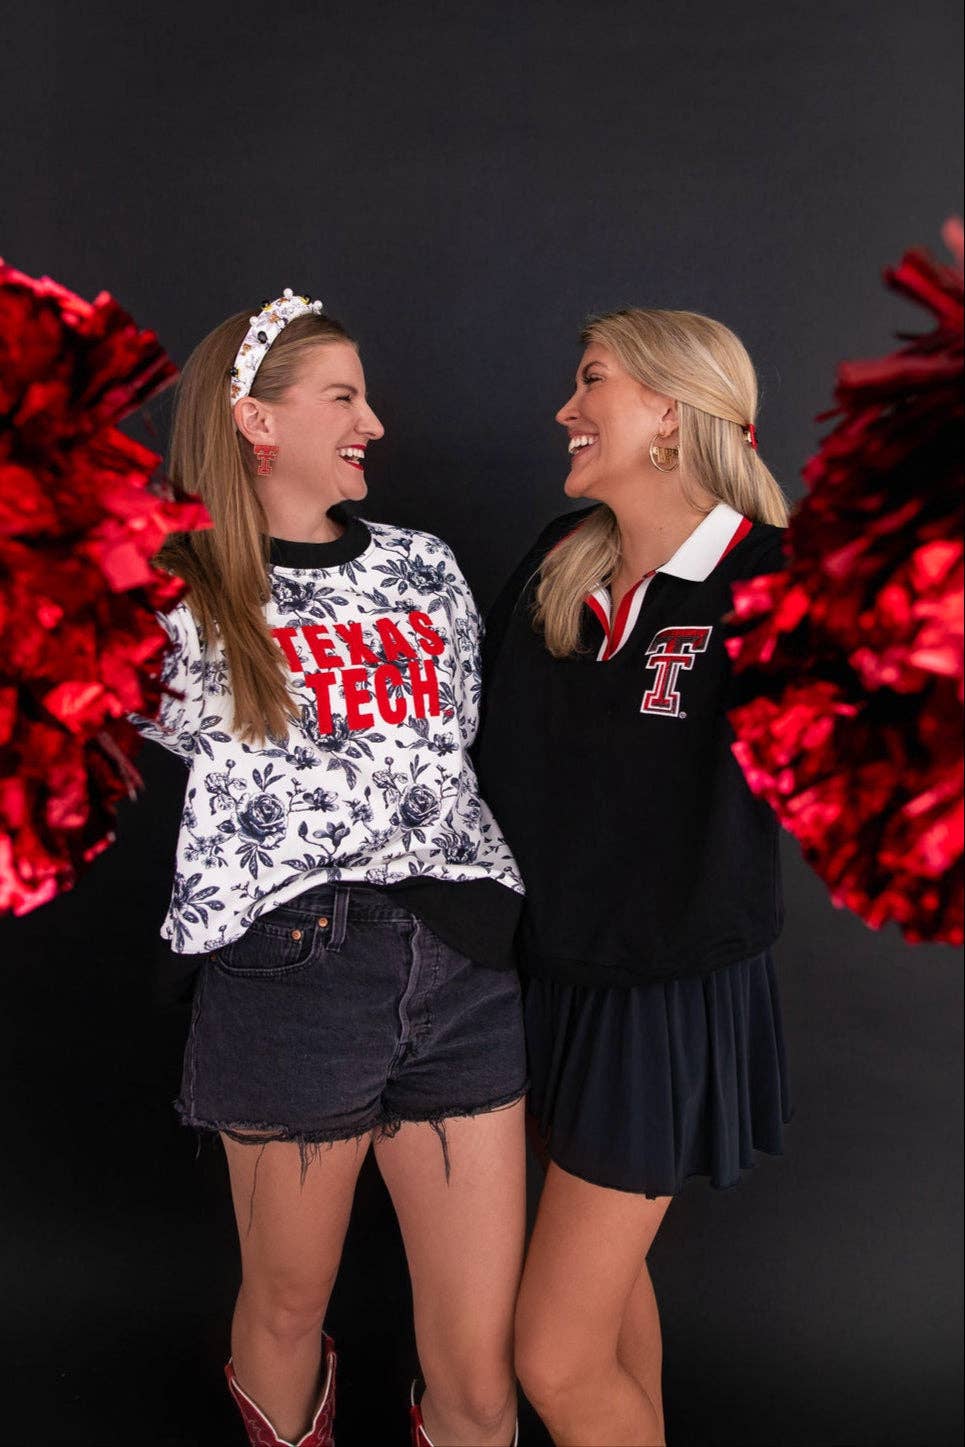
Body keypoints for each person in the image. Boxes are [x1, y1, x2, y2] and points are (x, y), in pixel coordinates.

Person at [134, 290, 526, 1447]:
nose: (373, 423)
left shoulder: (423, 566)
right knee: (288, 1305)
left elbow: (459, 744)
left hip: (461, 965)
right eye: (343, 397)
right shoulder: (178, 589)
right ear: (255, 420)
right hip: (290, 975)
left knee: (478, 1362)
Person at [475, 308, 792, 1447]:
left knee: (550, 1359)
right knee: (599, 1317)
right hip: (548, 974)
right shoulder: (559, 561)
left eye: (591, 380)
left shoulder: (770, 578)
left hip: (661, 989)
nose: (565, 407)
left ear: (668, 409)